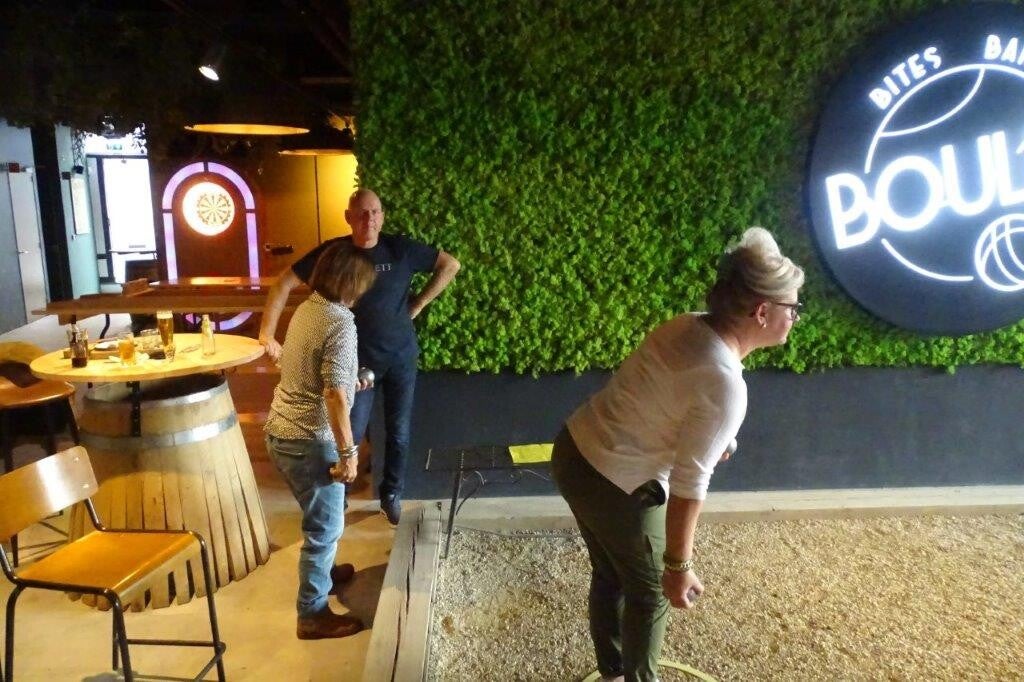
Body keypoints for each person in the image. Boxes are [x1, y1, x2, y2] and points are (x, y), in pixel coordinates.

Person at [551, 227, 805, 682]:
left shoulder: (687, 324)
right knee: (650, 592)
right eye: (793, 308)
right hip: (615, 482)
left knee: (611, 573)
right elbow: (690, 486)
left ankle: (612, 672)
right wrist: (678, 567)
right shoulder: (726, 383)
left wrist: (714, 439)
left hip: (573, 452)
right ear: (762, 312)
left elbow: (663, 399)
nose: (796, 317)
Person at [260, 188, 461, 525]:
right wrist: (267, 335)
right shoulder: (335, 254)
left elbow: (450, 265)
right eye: (362, 213)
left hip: (399, 357)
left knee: (399, 432)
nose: (370, 219)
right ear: (349, 217)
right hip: (353, 364)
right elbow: (282, 284)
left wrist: (419, 304)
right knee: (348, 432)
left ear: (382, 216)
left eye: (375, 212)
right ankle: (337, 501)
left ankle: (391, 495)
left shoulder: (400, 249)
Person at [264, 241, 377, 640]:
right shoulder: (340, 323)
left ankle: (324, 575)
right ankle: (311, 613)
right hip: (309, 440)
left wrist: (349, 381)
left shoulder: (308, 309)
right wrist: (348, 455)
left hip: (280, 433)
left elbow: (314, 374)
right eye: (362, 284)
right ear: (350, 284)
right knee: (324, 530)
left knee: (322, 517)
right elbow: (333, 395)